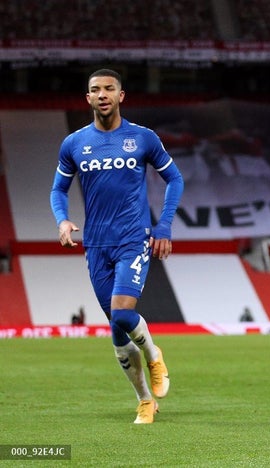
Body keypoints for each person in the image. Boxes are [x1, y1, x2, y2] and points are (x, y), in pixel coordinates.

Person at [50, 68, 184, 424]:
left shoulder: (142, 138)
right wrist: (62, 220)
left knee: (123, 313)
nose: (103, 94)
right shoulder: (74, 143)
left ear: (121, 95)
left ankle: (154, 355)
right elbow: (58, 189)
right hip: (96, 244)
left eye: (109, 88)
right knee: (117, 327)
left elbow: (174, 178)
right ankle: (144, 400)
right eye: (96, 90)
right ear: (88, 98)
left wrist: (164, 225)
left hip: (133, 238)